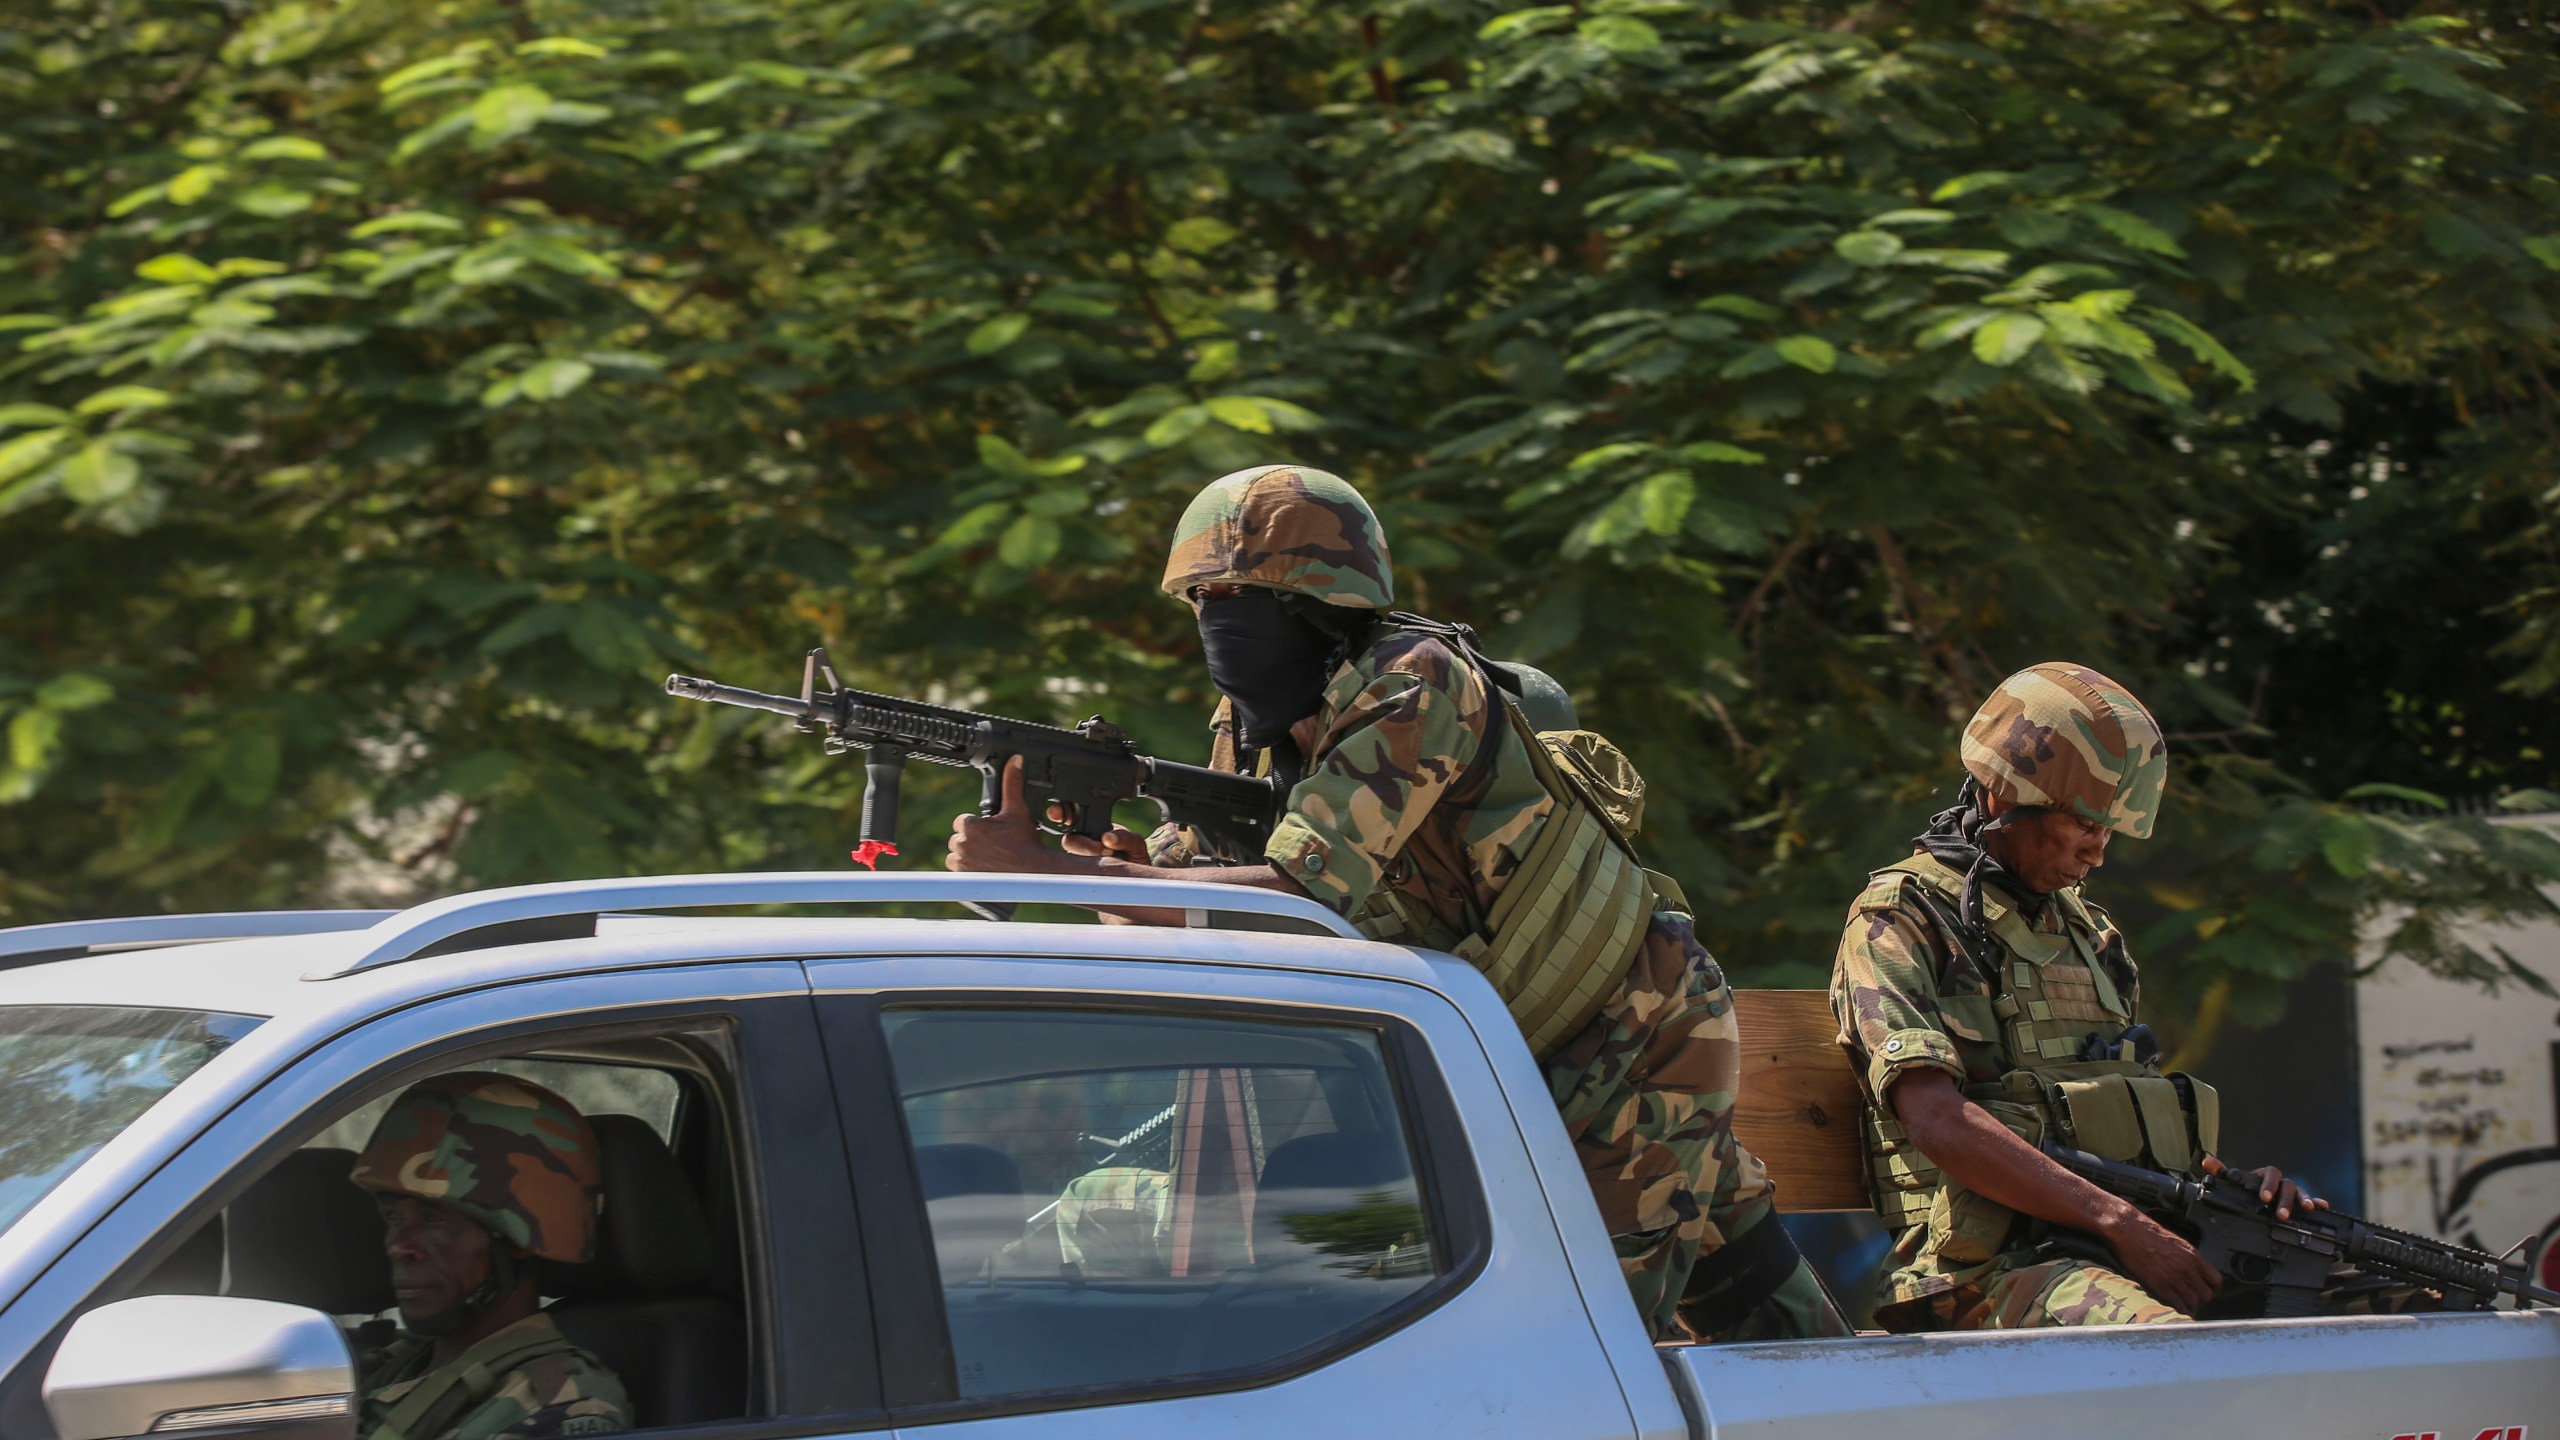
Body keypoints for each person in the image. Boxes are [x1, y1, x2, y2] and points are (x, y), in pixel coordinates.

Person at [945, 462, 1848, 1343]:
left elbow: (1301, 897)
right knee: (1748, 1279)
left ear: (1318, 604)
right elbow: (1192, 903)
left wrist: (1048, 875)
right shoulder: (1257, 722)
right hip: (1515, 1030)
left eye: (1240, 600)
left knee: (1583, 1336)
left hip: (1623, 1028)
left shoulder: (1413, 680)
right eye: (1202, 603)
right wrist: (1119, 870)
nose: (1216, 624)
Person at [1832, 662, 2421, 1329]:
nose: (2097, 854)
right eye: (2084, 825)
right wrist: (2121, 1224)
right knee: (2164, 1347)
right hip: (1987, 1274)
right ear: (2002, 796)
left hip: (2115, 1250)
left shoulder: (2092, 935)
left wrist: (2236, 1195)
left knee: (2407, 1312)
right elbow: (1935, 1119)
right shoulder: (1901, 917)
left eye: (2108, 832)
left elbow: (2117, 1119)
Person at [348, 1072, 631, 1440]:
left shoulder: (562, 1403)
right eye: (394, 1217)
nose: (399, 1246)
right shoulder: (395, 1365)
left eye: (435, 1220)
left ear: (519, 1241)